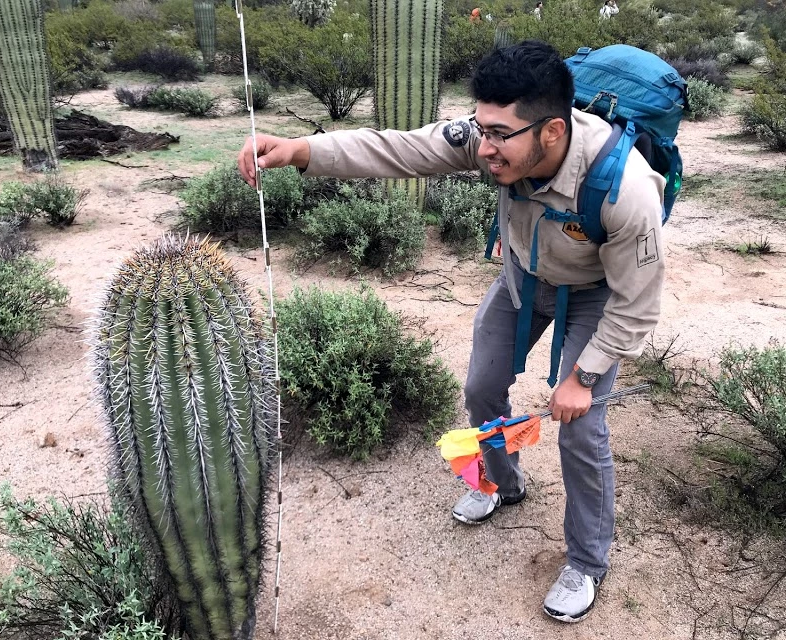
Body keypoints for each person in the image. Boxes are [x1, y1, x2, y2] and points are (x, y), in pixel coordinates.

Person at [238, 40, 665, 624]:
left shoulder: (625, 186)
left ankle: (587, 561)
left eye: (499, 134)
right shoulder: (492, 138)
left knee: (581, 427)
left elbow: (638, 305)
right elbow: (402, 148)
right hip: (524, 277)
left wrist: (584, 377)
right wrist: (302, 151)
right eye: (480, 127)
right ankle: (503, 484)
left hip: (596, 300)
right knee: (482, 388)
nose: (482, 146)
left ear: (552, 132)